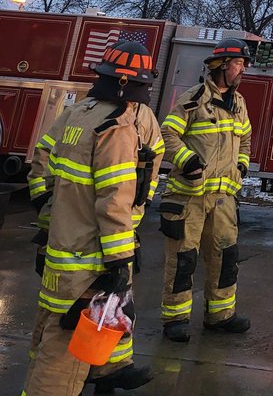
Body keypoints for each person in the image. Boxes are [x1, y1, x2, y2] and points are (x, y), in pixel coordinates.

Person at [21, 39, 162, 396]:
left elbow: (49, 171)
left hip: (63, 247)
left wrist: (47, 216)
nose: (146, 92)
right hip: (89, 257)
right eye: (143, 84)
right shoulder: (115, 128)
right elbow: (113, 202)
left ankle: (108, 369)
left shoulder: (79, 113)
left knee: (49, 329)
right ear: (125, 84)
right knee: (65, 349)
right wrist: (119, 260)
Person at [159, 37, 253, 341]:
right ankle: (176, 318)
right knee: (184, 258)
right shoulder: (193, 99)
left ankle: (220, 315)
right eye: (238, 64)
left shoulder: (239, 103)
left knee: (225, 257)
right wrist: (187, 160)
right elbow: (167, 133)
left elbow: (247, 139)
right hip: (190, 197)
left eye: (243, 65)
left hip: (224, 198)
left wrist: (241, 167)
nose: (242, 71)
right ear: (221, 66)